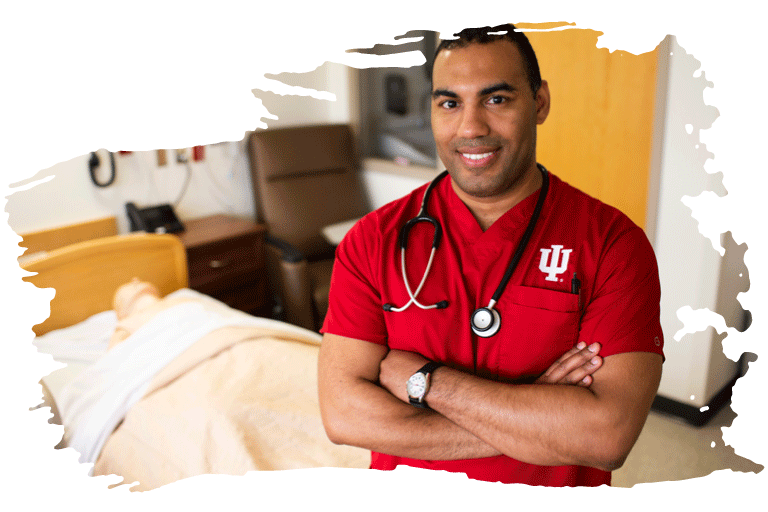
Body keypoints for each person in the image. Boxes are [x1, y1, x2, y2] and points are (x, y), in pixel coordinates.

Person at [317, 24, 664, 487]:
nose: (471, 127)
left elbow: (607, 436)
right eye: (449, 103)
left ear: (539, 102)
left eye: (497, 99)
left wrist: (427, 382)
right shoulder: (373, 242)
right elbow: (344, 417)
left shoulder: (613, 244)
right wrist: (536, 414)